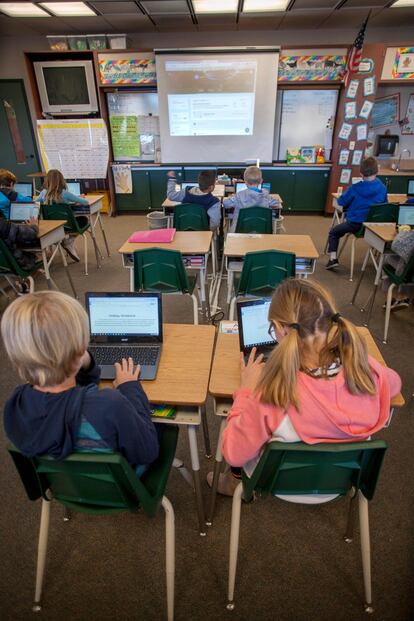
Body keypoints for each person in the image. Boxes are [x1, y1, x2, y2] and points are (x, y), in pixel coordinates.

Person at [211, 278, 401, 497]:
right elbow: (394, 383)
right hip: (342, 481)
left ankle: (233, 482)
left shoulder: (271, 392)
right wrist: (359, 361)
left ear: (281, 330)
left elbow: (233, 454)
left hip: (274, 482)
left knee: (241, 427)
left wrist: (246, 392)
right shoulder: (366, 373)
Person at [1, 291, 159, 475]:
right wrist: (129, 386)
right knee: (160, 424)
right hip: (122, 488)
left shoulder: (16, 405)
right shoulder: (110, 404)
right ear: (80, 349)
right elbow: (148, 452)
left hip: (65, 487)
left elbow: (76, 396)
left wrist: (85, 364)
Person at [326, 157, 387, 270]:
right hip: (373, 227)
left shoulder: (354, 188)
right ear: (377, 171)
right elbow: (384, 205)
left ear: (361, 173)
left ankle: (333, 259)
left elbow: (341, 201)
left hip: (355, 224)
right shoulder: (382, 188)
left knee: (334, 232)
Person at [36, 169, 89, 262]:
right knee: (84, 219)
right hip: (68, 226)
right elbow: (85, 202)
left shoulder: (43, 193)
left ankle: (62, 241)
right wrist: (77, 199)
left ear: (47, 180)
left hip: (51, 227)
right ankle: (70, 240)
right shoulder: (65, 193)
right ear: (62, 180)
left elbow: (36, 203)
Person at [223, 166, 281, 232]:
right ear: (261, 181)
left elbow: (225, 204)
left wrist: (232, 197)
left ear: (245, 182)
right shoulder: (266, 195)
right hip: (261, 231)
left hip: (240, 232)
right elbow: (276, 203)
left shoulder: (239, 195)